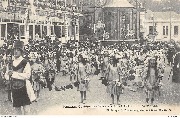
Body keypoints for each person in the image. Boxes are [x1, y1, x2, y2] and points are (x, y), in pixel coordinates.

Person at [7, 40, 35, 115]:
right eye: (14, 50)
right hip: (14, 89)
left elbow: (27, 75)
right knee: (17, 110)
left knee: (26, 109)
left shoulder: (25, 62)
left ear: (21, 51)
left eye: (18, 50)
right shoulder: (10, 63)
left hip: (24, 88)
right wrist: (7, 75)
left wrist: (14, 74)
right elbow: (6, 76)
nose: (15, 52)